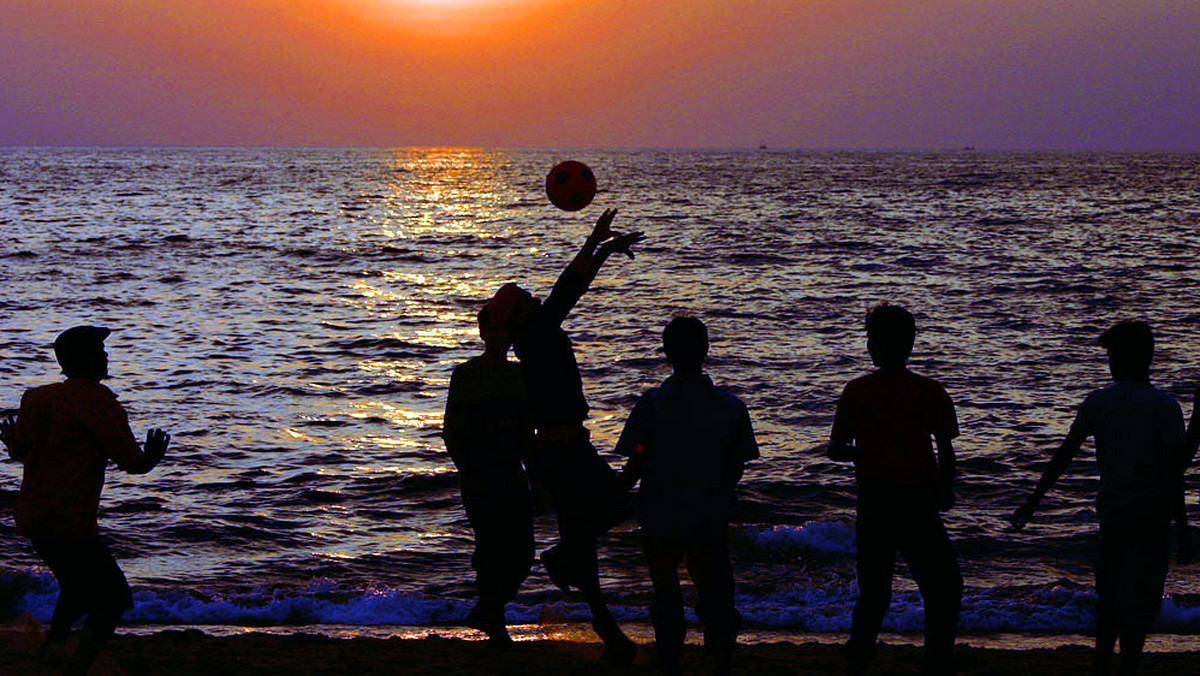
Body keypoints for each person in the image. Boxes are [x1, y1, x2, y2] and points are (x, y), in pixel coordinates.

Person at [488, 207, 643, 663]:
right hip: (560, 451)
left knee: (590, 531)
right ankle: (569, 571)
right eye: (525, 300)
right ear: (519, 316)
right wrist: (597, 248)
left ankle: (605, 627)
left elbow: (567, 290)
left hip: (567, 446)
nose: (535, 300)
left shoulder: (537, 334)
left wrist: (601, 250)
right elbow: (568, 288)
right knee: (612, 510)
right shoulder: (536, 335)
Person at [1010, 320, 1195, 676]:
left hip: (1112, 515)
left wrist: (1034, 501)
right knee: (1141, 604)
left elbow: (1064, 455)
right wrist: (1183, 530)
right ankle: (1127, 667)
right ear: (1149, 357)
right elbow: (1174, 475)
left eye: (1110, 354)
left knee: (1109, 602)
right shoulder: (1165, 406)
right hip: (1151, 518)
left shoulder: (1098, 402)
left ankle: (1100, 666)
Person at [0, 326, 170, 675]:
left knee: (76, 588)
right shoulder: (100, 403)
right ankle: (75, 665)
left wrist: (9, 439)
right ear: (85, 359)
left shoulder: (36, 398)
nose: (106, 356)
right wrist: (153, 456)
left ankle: (52, 647)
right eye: (99, 350)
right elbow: (131, 462)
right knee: (114, 599)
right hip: (70, 520)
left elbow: (20, 451)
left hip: (33, 514)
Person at [614, 316, 758, 675]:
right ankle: (720, 650)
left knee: (665, 586)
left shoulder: (653, 403)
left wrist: (614, 494)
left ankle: (670, 651)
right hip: (709, 509)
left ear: (666, 353)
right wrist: (722, 492)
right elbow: (737, 463)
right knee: (714, 584)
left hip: (660, 509)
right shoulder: (730, 406)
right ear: (706, 351)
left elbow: (637, 458)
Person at [827, 304, 963, 676]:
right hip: (918, 500)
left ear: (873, 346)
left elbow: (835, 449)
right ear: (911, 344)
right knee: (943, 588)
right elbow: (945, 448)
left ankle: (859, 654)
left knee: (874, 591)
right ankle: (937, 659)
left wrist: (869, 452)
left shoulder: (857, 391)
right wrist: (945, 490)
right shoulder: (930, 391)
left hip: (875, 499)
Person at [442, 303, 535, 648]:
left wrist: (535, 476)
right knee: (490, 550)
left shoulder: (520, 375)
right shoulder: (465, 374)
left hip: (512, 472)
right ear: (482, 334)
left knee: (523, 551)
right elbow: (451, 429)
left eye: (502, 330)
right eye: (491, 330)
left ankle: (489, 609)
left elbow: (527, 431)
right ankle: (495, 623)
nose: (497, 337)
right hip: (479, 474)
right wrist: (466, 469)